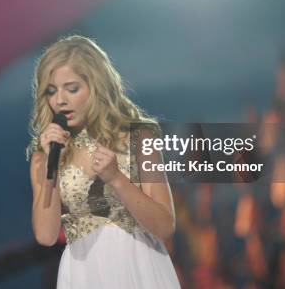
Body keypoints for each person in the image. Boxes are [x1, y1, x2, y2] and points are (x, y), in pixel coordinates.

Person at [26, 35, 182, 288]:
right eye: (52, 91)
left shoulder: (139, 138)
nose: (60, 100)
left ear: (96, 86)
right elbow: (46, 235)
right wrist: (48, 166)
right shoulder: (43, 158)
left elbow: (165, 226)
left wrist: (117, 179)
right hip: (84, 273)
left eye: (72, 88)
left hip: (139, 266)